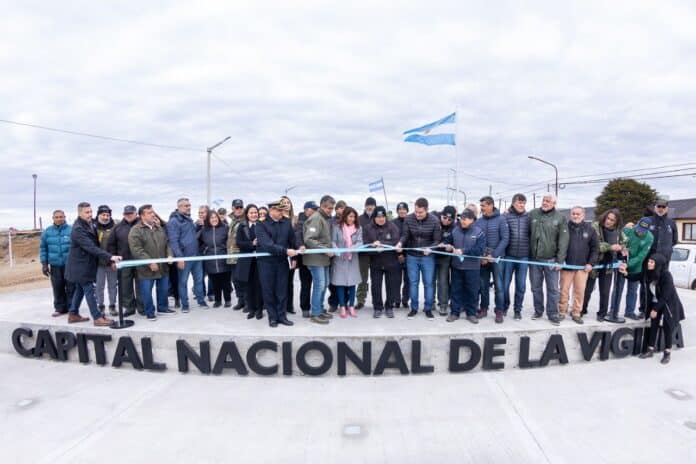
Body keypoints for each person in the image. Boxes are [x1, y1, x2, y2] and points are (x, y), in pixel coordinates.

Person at [65, 202, 122, 326]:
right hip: (80, 266)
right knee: (89, 290)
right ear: (79, 213)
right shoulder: (78, 229)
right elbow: (90, 247)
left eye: (91, 211)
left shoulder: (89, 224)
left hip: (85, 264)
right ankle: (97, 317)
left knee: (80, 290)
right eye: (87, 212)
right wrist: (110, 256)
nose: (90, 214)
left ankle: (73, 314)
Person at [396, 197, 442, 320]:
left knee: (428, 283)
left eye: (420, 212)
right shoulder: (408, 219)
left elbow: (437, 240)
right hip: (412, 256)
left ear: (427, 210)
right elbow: (405, 235)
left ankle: (428, 309)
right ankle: (414, 308)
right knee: (413, 283)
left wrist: (431, 248)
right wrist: (400, 243)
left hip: (428, 257)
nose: (417, 214)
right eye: (416, 211)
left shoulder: (434, 220)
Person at [256, 200, 299, 327]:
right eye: (279, 210)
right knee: (268, 290)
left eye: (282, 210)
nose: (282, 212)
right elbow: (267, 245)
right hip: (266, 263)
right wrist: (286, 251)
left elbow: (292, 240)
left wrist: (295, 257)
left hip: (281, 262)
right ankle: (272, 317)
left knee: (282, 290)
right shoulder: (261, 224)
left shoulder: (286, 222)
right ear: (271, 210)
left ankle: (282, 316)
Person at [128, 204, 175, 321]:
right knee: (146, 292)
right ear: (142, 216)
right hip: (146, 269)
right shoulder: (135, 230)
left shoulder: (158, 228)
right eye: (149, 213)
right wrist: (149, 262)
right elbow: (136, 250)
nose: (153, 214)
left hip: (162, 266)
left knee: (163, 289)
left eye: (153, 212)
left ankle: (163, 308)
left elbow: (167, 243)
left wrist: (169, 255)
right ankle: (149, 312)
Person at [528, 194, 569, 326]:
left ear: (554, 203)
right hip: (534, 260)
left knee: (553, 289)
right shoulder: (533, 214)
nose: (545, 203)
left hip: (551, 260)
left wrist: (560, 260)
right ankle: (538, 311)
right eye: (544, 200)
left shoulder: (560, 218)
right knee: (535, 287)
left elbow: (563, 240)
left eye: (548, 201)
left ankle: (552, 314)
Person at [638, 254, 685, 364]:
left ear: (658, 264)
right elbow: (636, 277)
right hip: (656, 302)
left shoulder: (666, 275)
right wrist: (625, 274)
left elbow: (665, 295)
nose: (649, 263)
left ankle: (667, 353)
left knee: (667, 327)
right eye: (649, 261)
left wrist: (655, 309)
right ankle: (650, 350)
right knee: (653, 325)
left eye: (651, 262)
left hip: (668, 304)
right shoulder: (648, 272)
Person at [582, 209, 627, 321]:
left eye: (612, 220)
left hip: (609, 264)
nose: (609, 221)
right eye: (608, 218)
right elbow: (595, 244)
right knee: (587, 289)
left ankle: (602, 314)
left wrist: (621, 246)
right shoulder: (595, 226)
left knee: (605, 291)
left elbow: (625, 240)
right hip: (594, 262)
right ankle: (582, 309)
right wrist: (610, 247)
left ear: (616, 222)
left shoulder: (618, 230)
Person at [444, 209, 485, 323]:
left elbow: (479, 250)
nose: (462, 221)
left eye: (465, 219)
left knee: (472, 291)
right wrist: (446, 245)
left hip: (472, 268)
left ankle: (471, 314)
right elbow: (447, 241)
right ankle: (454, 313)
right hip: (457, 267)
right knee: (455, 290)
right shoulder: (455, 230)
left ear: (472, 220)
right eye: (461, 219)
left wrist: (463, 251)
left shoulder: (479, 232)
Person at [559, 207, 599, 324]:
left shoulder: (590, 229)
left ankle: (576, 313)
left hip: (582, 268)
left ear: (583, 215)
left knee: (579, 291)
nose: (575, 216)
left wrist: (590, 263)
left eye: (578, 214)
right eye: (573, 214)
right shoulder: (564, 228)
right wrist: (559, 261)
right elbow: (559, 245)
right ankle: (562, 311)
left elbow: (595, 248)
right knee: (564, 290)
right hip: (567, 266)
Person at [167, 198, 207, 313]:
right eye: (186, 205)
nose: (188, 207)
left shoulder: (188, 219)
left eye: (189, 205)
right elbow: (173, 242)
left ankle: (201, 301)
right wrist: (180, 258)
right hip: (184, 258)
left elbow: (190, 234)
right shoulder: (174, 221)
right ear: (179, 207)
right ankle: (185, 305)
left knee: (198, 280)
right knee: (183, 282)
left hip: (196, 256)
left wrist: (197, 225)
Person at [364, 205, 402, 318]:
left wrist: (382, 244)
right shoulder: (368, 228)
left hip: (391, 261)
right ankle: (377, 307)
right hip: (375, 261)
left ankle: (389, 307)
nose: (381, 219)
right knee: (376, 286)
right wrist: (373, 246)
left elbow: (395, 241)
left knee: (391, 285)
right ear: (374, 217)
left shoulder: (392, 226)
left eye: (383, 217)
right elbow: (365, 243)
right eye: (378, 217)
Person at [476, 196, 509, 323]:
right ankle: (484, 308)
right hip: (483, 259)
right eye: (481, 206)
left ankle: (499, 311)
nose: (481, 208)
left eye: (483, 205)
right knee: (483, 285)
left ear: (491, 205)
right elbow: (477, 239)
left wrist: (494, 255)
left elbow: (505, 239)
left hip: (497, 258)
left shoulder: (501, 220)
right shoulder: (479, 221)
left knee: (499, 286)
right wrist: (482, 255)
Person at [303, 195, 336, 324]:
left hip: (323, 259)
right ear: (322, 206)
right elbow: (309, 239)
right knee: (320, 285)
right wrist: (325, 249)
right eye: (329, 208)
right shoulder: (316, 218)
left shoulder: (324, 218)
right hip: (315, 259)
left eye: (332, 208)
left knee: (325, 284)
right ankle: (315, 313)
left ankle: (320, 309)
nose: (331, 211)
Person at [106, 205, 143, 316]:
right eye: (127, 214)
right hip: (124, 262)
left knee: (141, 285)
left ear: (136, 213)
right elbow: (111, 245)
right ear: (123, 214)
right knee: (125, 286)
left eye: (131, 213)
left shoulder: (142, 225)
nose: (129, 215)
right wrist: (112, 261)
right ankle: (129, 308)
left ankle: (142, 307)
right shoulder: (117, 228)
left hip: (140, 261)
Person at [39, 209, 74, 317]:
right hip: (55, 265)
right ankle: (59, 308)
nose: (59, 219)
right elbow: (43, 249)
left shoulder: (71, 230)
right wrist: (44, 264)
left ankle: (72, 308)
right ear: (53, 218)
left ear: (65, 217)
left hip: (69, 265)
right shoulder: (47, 232)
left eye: (61, 217)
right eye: (57, 217)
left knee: (71, 287)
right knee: (57, 287)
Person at [330, 206, 364, 318]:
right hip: (340, 259)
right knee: (340, 283)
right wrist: (336, 250)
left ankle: (351, 306)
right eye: (350, 216)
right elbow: (333, 241)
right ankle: (342, 306)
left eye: (354, 217)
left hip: (352, 258)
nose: (352, 219)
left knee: (352, 283)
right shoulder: (337, 227)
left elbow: (360, 242)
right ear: (345, 216)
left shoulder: (358, 228)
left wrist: (354, 247)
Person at [502, 193, 530, 320]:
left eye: (523, 203)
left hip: (524, 257)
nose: (521, 205)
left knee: (521, 286)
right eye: (519, 202)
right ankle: (504, 306)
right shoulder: (506, 216)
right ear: (513, 203)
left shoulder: (528, 217)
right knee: (505, 285)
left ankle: (517, 310)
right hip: (509, 256)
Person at [236, 204, 264, 319]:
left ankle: (259, 310)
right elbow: (239, 243)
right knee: (248, 287)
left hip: (260, 261)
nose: (254, 214)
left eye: (255, 212)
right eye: (251, 213)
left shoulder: (262, 225)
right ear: (247, 214)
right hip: (246, 262)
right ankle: (251, 309)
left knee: (259, 286)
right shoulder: (242, 226)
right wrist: (251, 244)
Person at [199, 210, 232, 308]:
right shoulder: (204, 230)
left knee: (226, 281)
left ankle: (227, 300)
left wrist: (227, 251)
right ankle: (218, 300)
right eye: (212, 218)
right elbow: (198, 242)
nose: (214, 219)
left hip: (223, 257)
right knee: (215, 281)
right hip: (211, 259)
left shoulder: (225, 228)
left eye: (215, 217)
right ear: (208, 220)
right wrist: (204, 250)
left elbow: (231, 241)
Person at [623, 217, 654, 320]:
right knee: (618, 288)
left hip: (636, 266)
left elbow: (641, 256)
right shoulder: (628, 230)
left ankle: (629, 312)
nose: (640, 232)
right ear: (637, 225)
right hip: (622, 263)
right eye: (639, 229)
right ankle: (613, 310)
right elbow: (619, 240)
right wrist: (623, 263)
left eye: (643, 231)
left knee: (632, 290)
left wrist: (628, 264)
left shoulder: (649, 238)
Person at [295, 201, 318, 318]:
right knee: (306, 284)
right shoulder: (300, 221)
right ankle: (305, 308)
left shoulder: (317, 220)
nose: (315, 211)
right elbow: (297, 235)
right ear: (306, 210)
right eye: (313, 209)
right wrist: (300, 245)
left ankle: (317, 307)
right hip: (304, 259)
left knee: (318, 284)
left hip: (317, 258)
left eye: (316, 209)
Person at [95, 205, 118, 316]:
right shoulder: (93, 227)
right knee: (99, 286)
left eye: (107, 215)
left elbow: (117, 245)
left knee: (112, 285)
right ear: (98, 215)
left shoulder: (115, 227)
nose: (105, 217)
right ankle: (100, 305)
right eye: (103, 215)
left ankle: (112, 305)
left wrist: (114, 261)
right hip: (98, 263)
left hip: (111, 263)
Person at [434, 206, 456, 316]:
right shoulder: (434, 221)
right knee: (430, 281)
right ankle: (431, 302)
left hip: (445, 257)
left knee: (443, 281)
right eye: (444, 217)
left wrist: (451, 247)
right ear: (441, 215)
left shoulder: (455, 227)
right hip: (431, 255)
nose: (446, 220)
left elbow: (455, 241)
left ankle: (443, 304)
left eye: (449, 219)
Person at [356, 197, 376, 309]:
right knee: (362, 278)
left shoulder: (378, 217)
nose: (370, 207)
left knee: (375, 278)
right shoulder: (359, 219)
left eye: (372, 205)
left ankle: (376, 300)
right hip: (363, 254)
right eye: (368, 205)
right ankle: (360, 299)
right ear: (365, 206)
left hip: (375, 254)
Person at [327, 200, 347, 312]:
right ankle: (333, 303)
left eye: (344, 208)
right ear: (336, 209)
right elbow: (328, 236)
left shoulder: (348, 221)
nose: (343, 210)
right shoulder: (331, 221)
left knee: (346, 280)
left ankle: (344, 302)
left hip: (346, 256)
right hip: (333, 255)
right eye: (341, 208)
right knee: (333, 281)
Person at [227, 199, 246, 310]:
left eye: (240, 207)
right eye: (236, 207)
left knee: (243, 279)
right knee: (235, 280)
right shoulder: (232, 221)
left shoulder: (245, 221)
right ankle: (240, 300)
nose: (239, 209)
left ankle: (247, 301)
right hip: (231, 256)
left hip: (241, 255)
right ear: (232, 208)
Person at [280, 196, 298, 314]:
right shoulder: (278, 219)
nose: (286, 204)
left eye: (288, 202)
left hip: (292, 254)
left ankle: (289, 306)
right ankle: (281, 305)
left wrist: (294, 258)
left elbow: (295, 241)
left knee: (289, 282)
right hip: (281, 254)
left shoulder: (295, 220)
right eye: (284, 203)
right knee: (281, 283)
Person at [649, 197, 678, 265]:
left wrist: (666, 249)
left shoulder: (671, 222)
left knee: (664, 271)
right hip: (650, 255)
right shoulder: (648, 220)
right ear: (655, 208)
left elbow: (674, 240)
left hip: (665, 256)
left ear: (667, 209)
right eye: (659, 206)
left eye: (663, 207)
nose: (661, 209)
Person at [392, 202, 410, 309]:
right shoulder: (393, 223)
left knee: (408, 280)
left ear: (407, 211)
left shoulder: (411, 221)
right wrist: (399, 254)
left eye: (404, 209)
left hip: (409, 256)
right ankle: (396, 300)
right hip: (396, 256)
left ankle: (405, 300)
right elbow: (393, 239)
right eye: (400, 209)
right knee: (396, 280)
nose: (402, 211)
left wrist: (405, 254)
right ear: (397, 211)